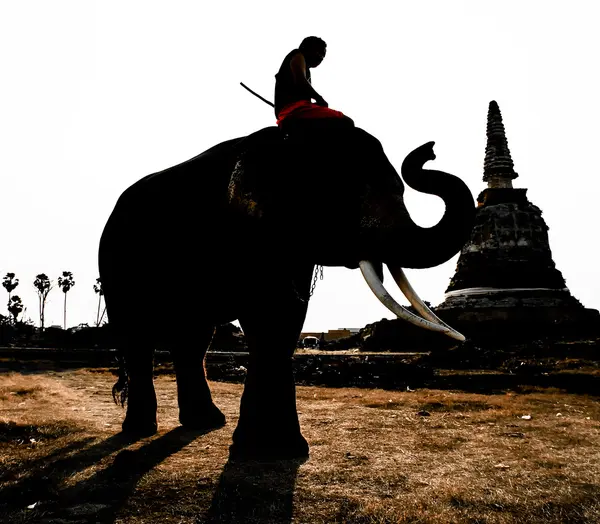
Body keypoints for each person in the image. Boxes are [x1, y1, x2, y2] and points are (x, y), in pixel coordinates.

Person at [274, 36, 354, 132]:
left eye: (323, 56)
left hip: (293, 111)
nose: (321, 58)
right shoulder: (298, 55)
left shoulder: (304, 67)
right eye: (319, 52)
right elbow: (300, 81)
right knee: (347, 121)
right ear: (306, 48)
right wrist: (319, 98)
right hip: (295, 110)